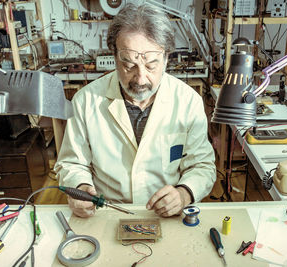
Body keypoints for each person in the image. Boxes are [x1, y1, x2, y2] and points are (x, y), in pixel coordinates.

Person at [54, 3, 216, 218]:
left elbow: (202, 165)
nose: (140, 79)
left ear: (167, 58)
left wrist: (184, 194)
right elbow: (72, 163)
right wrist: (81, 188)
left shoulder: (188, 102)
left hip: (165, 216)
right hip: (107, 213)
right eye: (129, 65)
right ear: (114, 55)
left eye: (151, 65)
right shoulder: (86, 101)